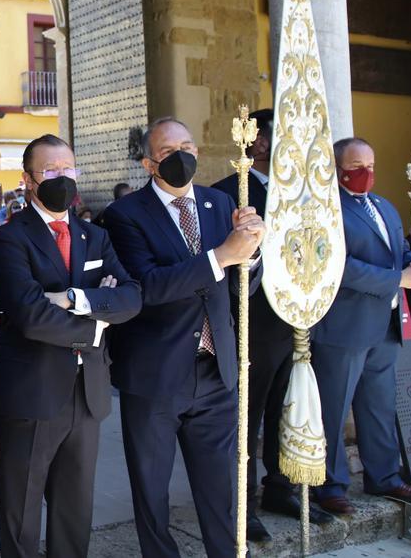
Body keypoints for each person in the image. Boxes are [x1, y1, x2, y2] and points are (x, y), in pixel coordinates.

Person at [103, 117, 263, 558]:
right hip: (156, 375)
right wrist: (222, 255)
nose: (183, 157)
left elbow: (238, 287)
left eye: (188, 146)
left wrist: (252, 252)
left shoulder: (218, 201)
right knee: (152, 489)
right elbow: (147, 287)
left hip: (216, 369)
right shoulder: (124, 215)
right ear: (149, 163)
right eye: (170, 152)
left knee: (221, 487)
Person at [0, 134, 142, 558]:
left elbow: (130, 297)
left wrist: (76, 298)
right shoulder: (10, 238)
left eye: (68, 169)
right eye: (51, 171)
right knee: (22, 513)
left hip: (87, 392)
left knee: (75, 511)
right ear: (28, 180)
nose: (63, 178)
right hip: (30, 393)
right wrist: (94, 328)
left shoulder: (95, 236)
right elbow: (31, 316)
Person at [211, 110, 334, 541]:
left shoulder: (302, 192)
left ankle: (280, 487)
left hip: (297, 321)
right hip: (254, 323)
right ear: (259, 143)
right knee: (249, 415)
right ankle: (241, 503)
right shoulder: (227, 193)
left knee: (289, 407)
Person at [310, 137, 411, 516]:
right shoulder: (326, 210)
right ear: (336, 167)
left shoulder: (385, 206)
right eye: (356, 165)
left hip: (386, 324)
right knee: (333, 407)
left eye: (371, 165)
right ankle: (329, 485)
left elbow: (401, 252)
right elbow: (338, 267)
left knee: (379, 405)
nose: (366, 173)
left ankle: (383, 476)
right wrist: (399, 277)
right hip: (344, 326)